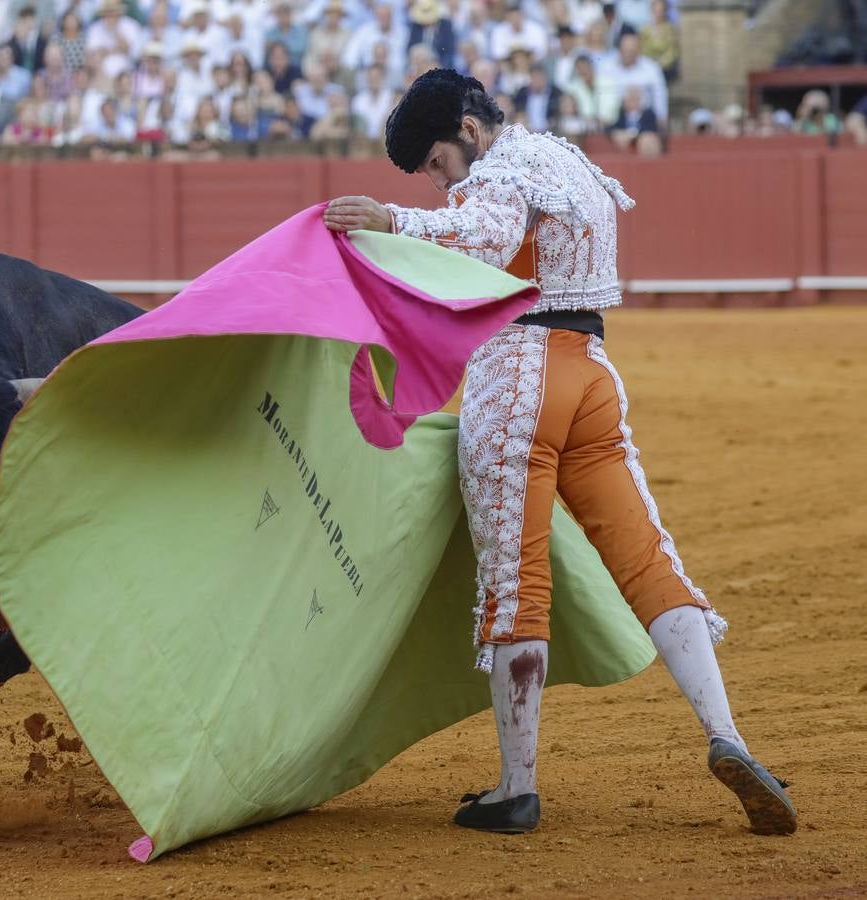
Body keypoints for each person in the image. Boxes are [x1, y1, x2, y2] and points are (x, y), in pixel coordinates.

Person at [321, 69, 797, 838]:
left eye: (440, 165)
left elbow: (485, 235)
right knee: (647, 559)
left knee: (515, 581)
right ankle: (728, 738)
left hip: (518, 379)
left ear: (468, 133)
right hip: (591, 374)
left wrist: (389, 220)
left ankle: (516, 788)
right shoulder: (563, 157)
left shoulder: (502, 169)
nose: (445, 184)